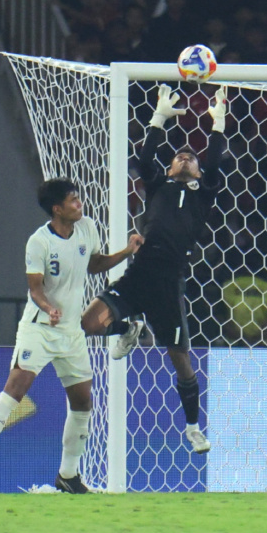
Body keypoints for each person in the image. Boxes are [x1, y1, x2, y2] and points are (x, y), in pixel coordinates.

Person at [0, 177, 143, 494]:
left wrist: (127, 251)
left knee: (82, 401)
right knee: (15, 390)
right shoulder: (39, 242)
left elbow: (94, 263)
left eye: (78, 198)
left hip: (71, 331)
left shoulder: (86, 227)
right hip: (40, 328)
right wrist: (49, 308)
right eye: (73, 200)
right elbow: (35, 288)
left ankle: (68, 475)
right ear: (57, 209)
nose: (80, 204)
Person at [80, 83, 227, 454]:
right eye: (178, 156)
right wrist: (158, 118)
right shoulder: (157, 185)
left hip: (168, 282)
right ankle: (128, 326)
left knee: (181, 361)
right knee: (88, 322)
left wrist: (218, 125)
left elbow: (213, 164)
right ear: (169, 166)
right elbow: (145, 159)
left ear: (197, 170)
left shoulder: (204, 193)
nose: (184, 158)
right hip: (139, 274)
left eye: (190, 158)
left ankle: (193, 427)